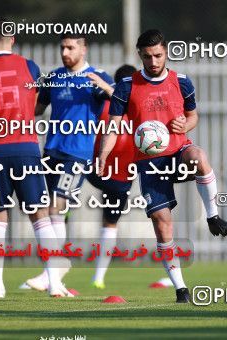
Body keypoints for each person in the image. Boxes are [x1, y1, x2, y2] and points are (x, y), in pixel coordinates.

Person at [98, 29, 227, 303]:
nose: (153, 61)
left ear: (166, 52)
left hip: (178, 151)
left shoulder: (182, 82)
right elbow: (112, 128)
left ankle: (213, 216)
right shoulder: (126, 86)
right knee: (162, 224)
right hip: (149, 161)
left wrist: (185, 124)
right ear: (140, 55)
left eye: (158, 55)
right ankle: (181, 289)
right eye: (147, 56)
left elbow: (192, 116)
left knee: (199, 155)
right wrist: (103, 156)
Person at [0, 17, 72, 298]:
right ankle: (55, 283)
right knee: (40, 216)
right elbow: (35, 108)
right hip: (26, 148)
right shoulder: (30, 67)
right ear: (13, 39)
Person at [24, 33, 115, 292]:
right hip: (52, 150)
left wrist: (106, 88)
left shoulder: (97, 77)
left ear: (83, 49)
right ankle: (56, 267)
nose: (65, 53)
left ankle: (52, 269)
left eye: (70, 48)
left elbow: (123, 101)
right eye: (62, 48)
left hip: (78, 154)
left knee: (56, 206)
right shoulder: (54, 77)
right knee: (49, 208)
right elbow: (36, 109)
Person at [85, 64, 137, 289]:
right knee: (110, 224)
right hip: (120, 175)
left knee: (64, 197)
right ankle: (99, 276)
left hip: (95, 168)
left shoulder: (105, 98)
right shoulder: (133, 104)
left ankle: (98, 277)